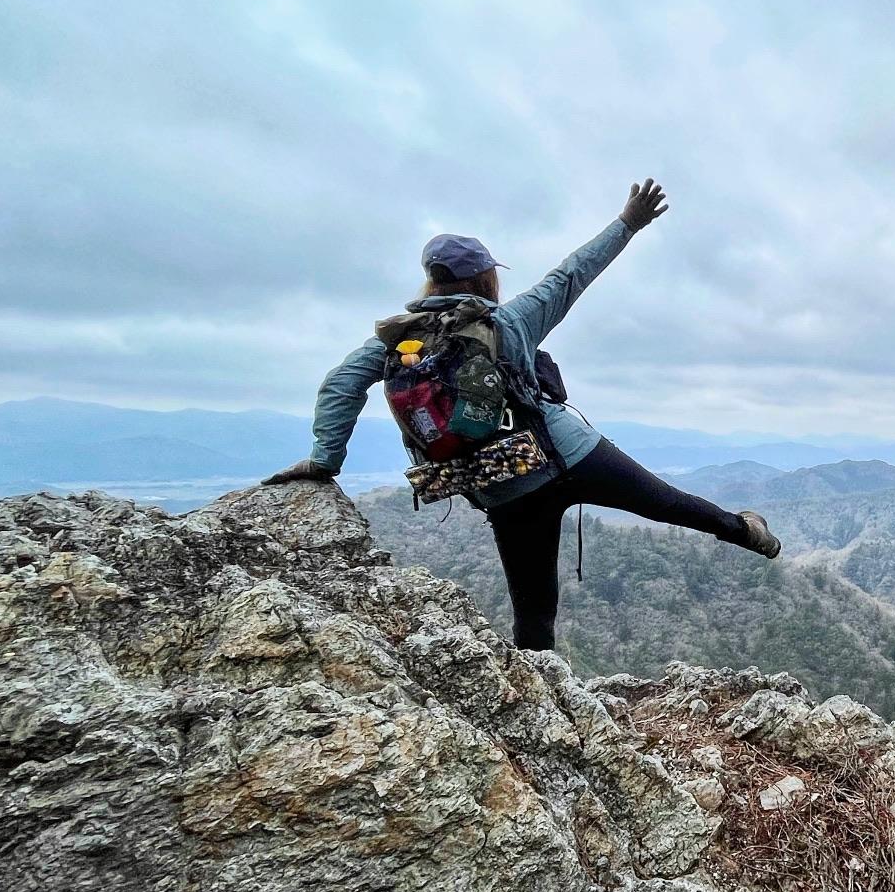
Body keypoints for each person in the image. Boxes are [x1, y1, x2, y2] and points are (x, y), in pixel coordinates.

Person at [264, 178, 781, 651]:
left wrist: (324, 459)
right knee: (669, 503)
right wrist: (628, 222)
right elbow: (572, 274)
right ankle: (744, 530)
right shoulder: (507, 321)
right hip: (575, 455)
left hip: (502, 485)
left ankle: (543, 706)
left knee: (534, 613)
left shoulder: (400, 340)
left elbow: (340, 385)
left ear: (430, 280)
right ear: (486, 277)